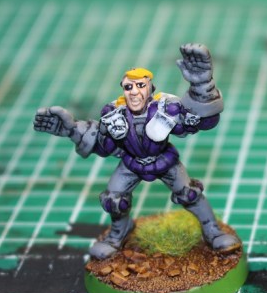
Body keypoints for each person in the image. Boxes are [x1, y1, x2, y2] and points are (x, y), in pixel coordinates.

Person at [34, 43, 240, 259]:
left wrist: (202, 85)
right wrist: (71, 130)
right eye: (128, 87)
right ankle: (118, 232)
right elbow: (102, 143)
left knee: (189, 193)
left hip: (164, 160)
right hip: (131, 163)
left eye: (140, 86)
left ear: (150, 89)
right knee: (114, 199)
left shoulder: (165, 108)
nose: (134, 92)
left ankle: (212, 230)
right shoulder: (115, 114)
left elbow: (198, 121)